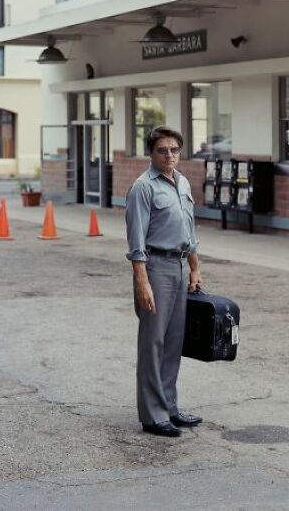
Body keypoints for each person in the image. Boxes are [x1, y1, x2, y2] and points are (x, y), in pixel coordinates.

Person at [125, 125, 203, 438]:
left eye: (173, 149)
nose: (169, 155)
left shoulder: (181, 182)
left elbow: (190, 232)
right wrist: (142, 282)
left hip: (181, 266)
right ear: (151, 153)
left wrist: (195, 268)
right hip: (155, 268)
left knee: (173, 342)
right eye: (162, 150)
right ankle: (152, 415)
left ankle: (169, 406)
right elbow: (136, 242)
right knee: (153, 343)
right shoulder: (143, 187)